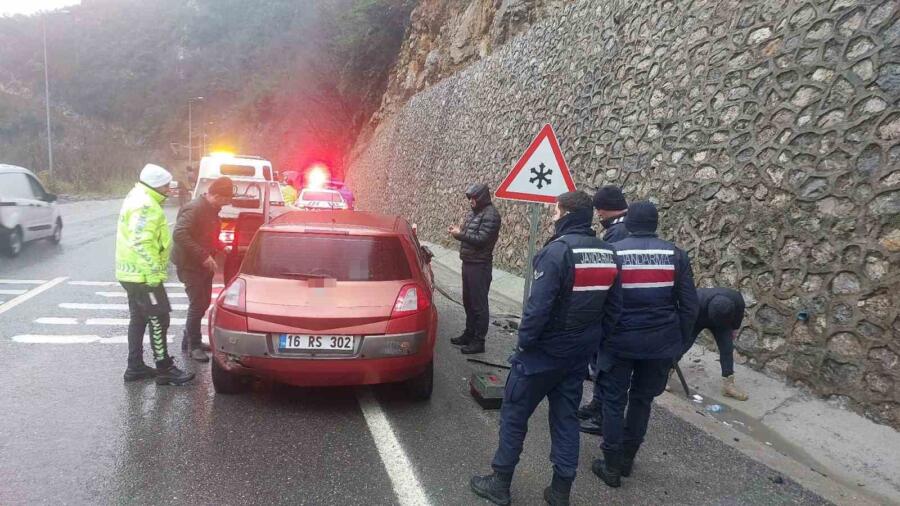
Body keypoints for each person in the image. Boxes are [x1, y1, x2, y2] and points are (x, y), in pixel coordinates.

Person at [470, 191, 622, 506]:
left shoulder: (557, 253)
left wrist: (523, 346)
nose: (553, 217)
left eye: (555, 212)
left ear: (565, 214)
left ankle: (500, 484)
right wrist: (590, 346)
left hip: (542, 355)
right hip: (577, 355)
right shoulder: (608, 252)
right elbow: (613, 310)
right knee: (566, 418)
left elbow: (537, 311)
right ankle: (560, 492)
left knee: (514, 414)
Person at [593, 201, 698, 488]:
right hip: (659, 344)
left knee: (614, 401)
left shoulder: (613, 253)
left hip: (619, 341)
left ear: (629, 224)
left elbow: (600, 300)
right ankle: (627, 458)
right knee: (642, 400)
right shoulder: (676, 255)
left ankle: (611, 465)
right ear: (655, 224)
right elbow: (690, 306)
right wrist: (679, 344)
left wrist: (599, 336)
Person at [116, 163, 195, 385]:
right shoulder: (146, 205)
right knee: (159, 318)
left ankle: (135, 367)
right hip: (144, 277)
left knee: (138, 319)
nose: (169, 191)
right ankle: (164, 369)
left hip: (130, 274)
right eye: (165, 187)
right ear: (156, 186)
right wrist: (153, 276)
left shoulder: (135, 196)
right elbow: (141, 242)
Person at [578, 185, 630, 435]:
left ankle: (602, 418)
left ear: (607, 208)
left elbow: (610, 269)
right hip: (619, 307)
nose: (597, 214)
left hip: (616, 311)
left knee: (606, 367)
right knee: (602, 365)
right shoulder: (621, 226)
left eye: (599, 209)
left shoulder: (618, 232)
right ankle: (596, 405)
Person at [171, 176, 233, 362]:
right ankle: (193, 345)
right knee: (197, 305)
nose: (225, 204)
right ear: (213, 194)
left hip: (203, 265)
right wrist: (203, 255)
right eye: (223, 200)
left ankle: (189, 339)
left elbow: (207, 235)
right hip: (190, 265)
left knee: (203, 303)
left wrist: (222, 246)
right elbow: (180, 233)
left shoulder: (212, 209)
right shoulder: (195, 208)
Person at [448, 183, 501, 354]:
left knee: (479, 305)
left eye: (474, 198)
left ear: (482, 198)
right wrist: (458, 231)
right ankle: (469, 334)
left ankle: (479, 341)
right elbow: (469, 233)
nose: (471, 201)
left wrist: (460, 234)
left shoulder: (491, 215)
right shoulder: (474, 213)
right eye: (469, 198)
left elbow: (482, 239)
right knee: (468, 302)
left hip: (480, 265)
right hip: (469, 263)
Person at [687, 287, 749, 400]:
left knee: (727, 350)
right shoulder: (696, 298)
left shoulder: (737, 299)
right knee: (685, 344)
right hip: (700, 318)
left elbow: (738, 316)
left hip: (723, 323)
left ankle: (728, 386)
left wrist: (734, 328)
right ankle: (666, 373)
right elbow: (686, 316)